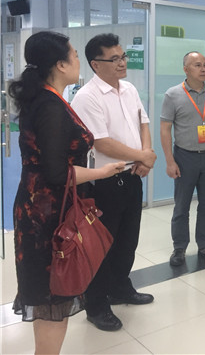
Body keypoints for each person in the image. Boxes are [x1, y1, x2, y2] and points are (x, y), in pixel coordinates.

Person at [9, 31, 125, 354]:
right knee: (52, 298)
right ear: (60, 64)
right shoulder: (50, 106)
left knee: (52, 299)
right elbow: (57, 173)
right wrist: (102, 172)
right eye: (74, 55)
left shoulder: (49, 99)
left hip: (42, 209)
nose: (77, 61)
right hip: (47, 218)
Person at [71, 33, 157, 332]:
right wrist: (142, 156)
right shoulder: (87, 97)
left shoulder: (129, 89)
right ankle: (96, 305)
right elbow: (102, 142)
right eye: (115, 59)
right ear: (96, 64)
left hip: (132, 176)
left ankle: (120, 288)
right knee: (101, 246)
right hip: (104, 182)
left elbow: (143, 122)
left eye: (123, 57)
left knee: (127, 241)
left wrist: (144, 157)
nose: (122, 63)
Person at [160, 51, 205, 267]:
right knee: (182, 206)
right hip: (184, 157)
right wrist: (170, 161)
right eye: (197, 65)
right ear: (186, 69)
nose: (203, 68)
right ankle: (179, 248)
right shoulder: (172, 95)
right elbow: (165, 129)